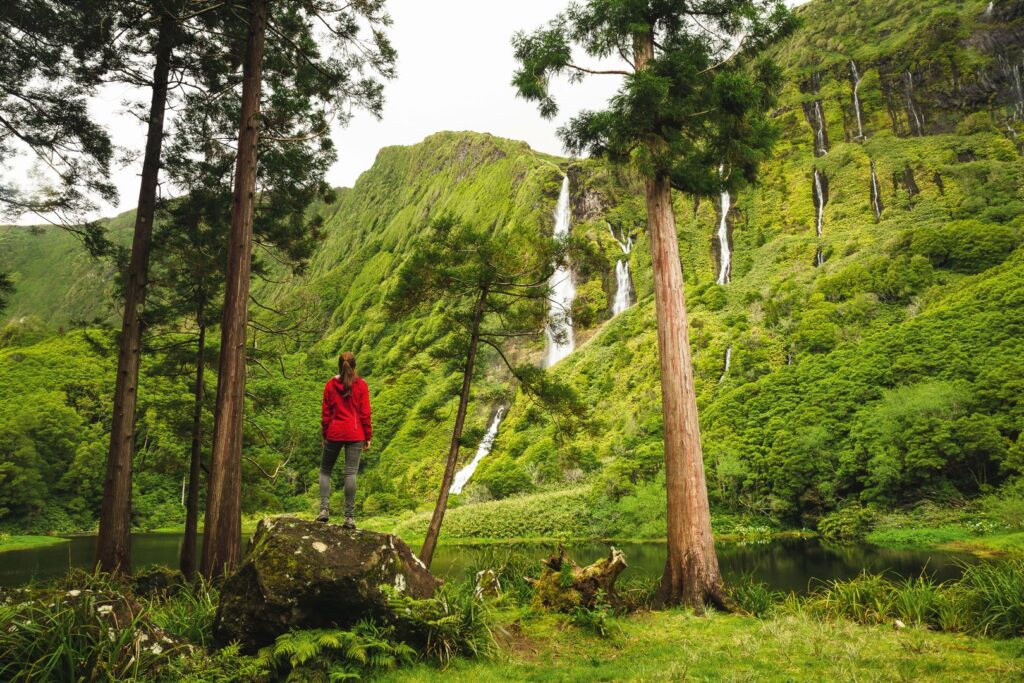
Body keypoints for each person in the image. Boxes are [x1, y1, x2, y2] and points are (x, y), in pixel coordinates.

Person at [318, 352, 372, 527]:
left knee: (325, 470)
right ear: (354, 367)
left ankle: (324, 510)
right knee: (350, 473)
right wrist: (368, 436)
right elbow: (365, 414)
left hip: (334, 433)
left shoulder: (330, 386)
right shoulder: (361, 385)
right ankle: (349, 517)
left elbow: (326, 415)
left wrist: (325, 434)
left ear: (339, 367)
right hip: (356, 434)